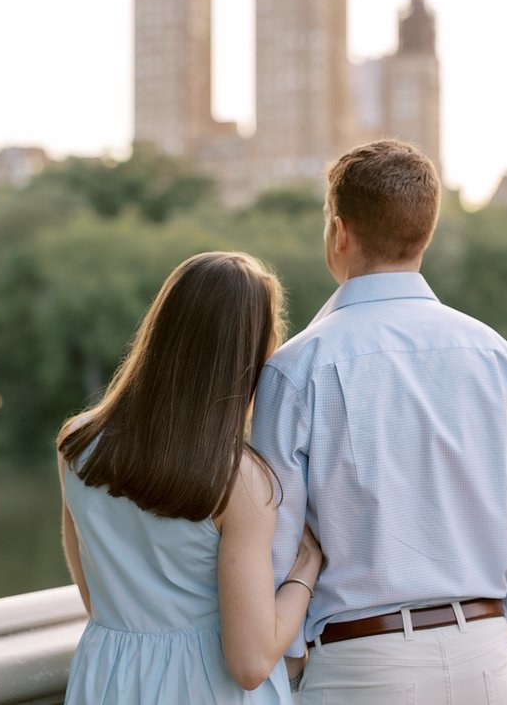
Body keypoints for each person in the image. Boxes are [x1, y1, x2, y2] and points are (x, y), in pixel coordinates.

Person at [251, 139, 507, 704]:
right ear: (426, 231)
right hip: (487, 661)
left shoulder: (297, 368)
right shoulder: (496, 356)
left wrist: (292, 652)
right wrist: (498, 621)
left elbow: (273, 543)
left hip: (359, 666)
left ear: (339, 232)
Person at [57, 251, 322, 704]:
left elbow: (93, 596)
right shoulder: (239, 482)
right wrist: (307, 570)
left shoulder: (77, 445)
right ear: (251, 352)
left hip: (106, 681)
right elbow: (250, 663)